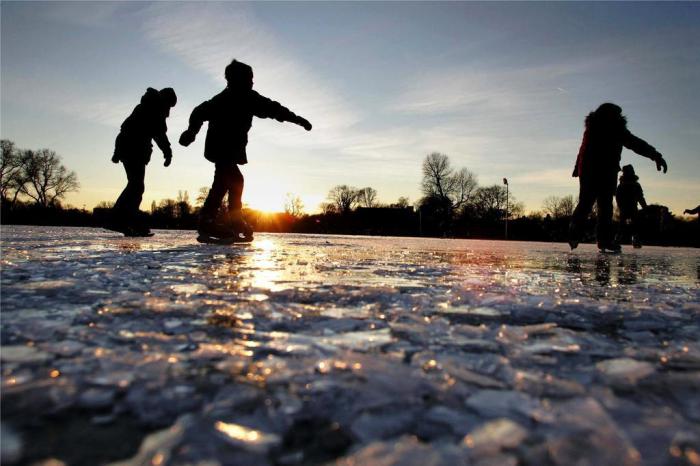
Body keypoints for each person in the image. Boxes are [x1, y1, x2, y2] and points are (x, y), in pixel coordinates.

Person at [179, 59, 312, 240]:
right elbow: (199, 112)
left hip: (230, 149)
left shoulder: (247, 98)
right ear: (237, 80)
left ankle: (229, 220)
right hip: (220, 147)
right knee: (230, 181)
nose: (252, 82)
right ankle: (210, 221)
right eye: (249, 78)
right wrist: (191, 132)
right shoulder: (230, 99)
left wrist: (297, 119)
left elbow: (274, 109)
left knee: (229, 181)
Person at [568, 103, 667, 252]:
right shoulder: (614, 128)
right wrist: (656, 156)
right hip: (601, 170)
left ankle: (596, 238)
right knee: (596, 204)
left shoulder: (593, 128)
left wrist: (577, 167)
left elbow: (583, 149)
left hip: (594, 170)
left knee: (599, 205)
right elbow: (635, 143)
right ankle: (587, 235)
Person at [109, 87, 176, 236]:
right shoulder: (154, 109)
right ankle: (118, 220)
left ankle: (126, 221)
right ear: (165, 101)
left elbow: (126, 128)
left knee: (136, 186)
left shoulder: (147, 106)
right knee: (136, 185)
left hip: (132, 149)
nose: (169, 110)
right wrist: (168, 152)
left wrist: (117, 151)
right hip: (134, 149)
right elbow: (158, 134)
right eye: (170, 106)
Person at [615, 164, 647, 248]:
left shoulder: (635, 185)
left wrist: (645, 207)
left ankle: (634, 239)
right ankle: (618, 239)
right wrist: (620, 205)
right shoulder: (622, 185)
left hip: (632, 207)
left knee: (634, 224)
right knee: (623, 225)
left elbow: (640, 197)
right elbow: (618, 196)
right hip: (625, 207)